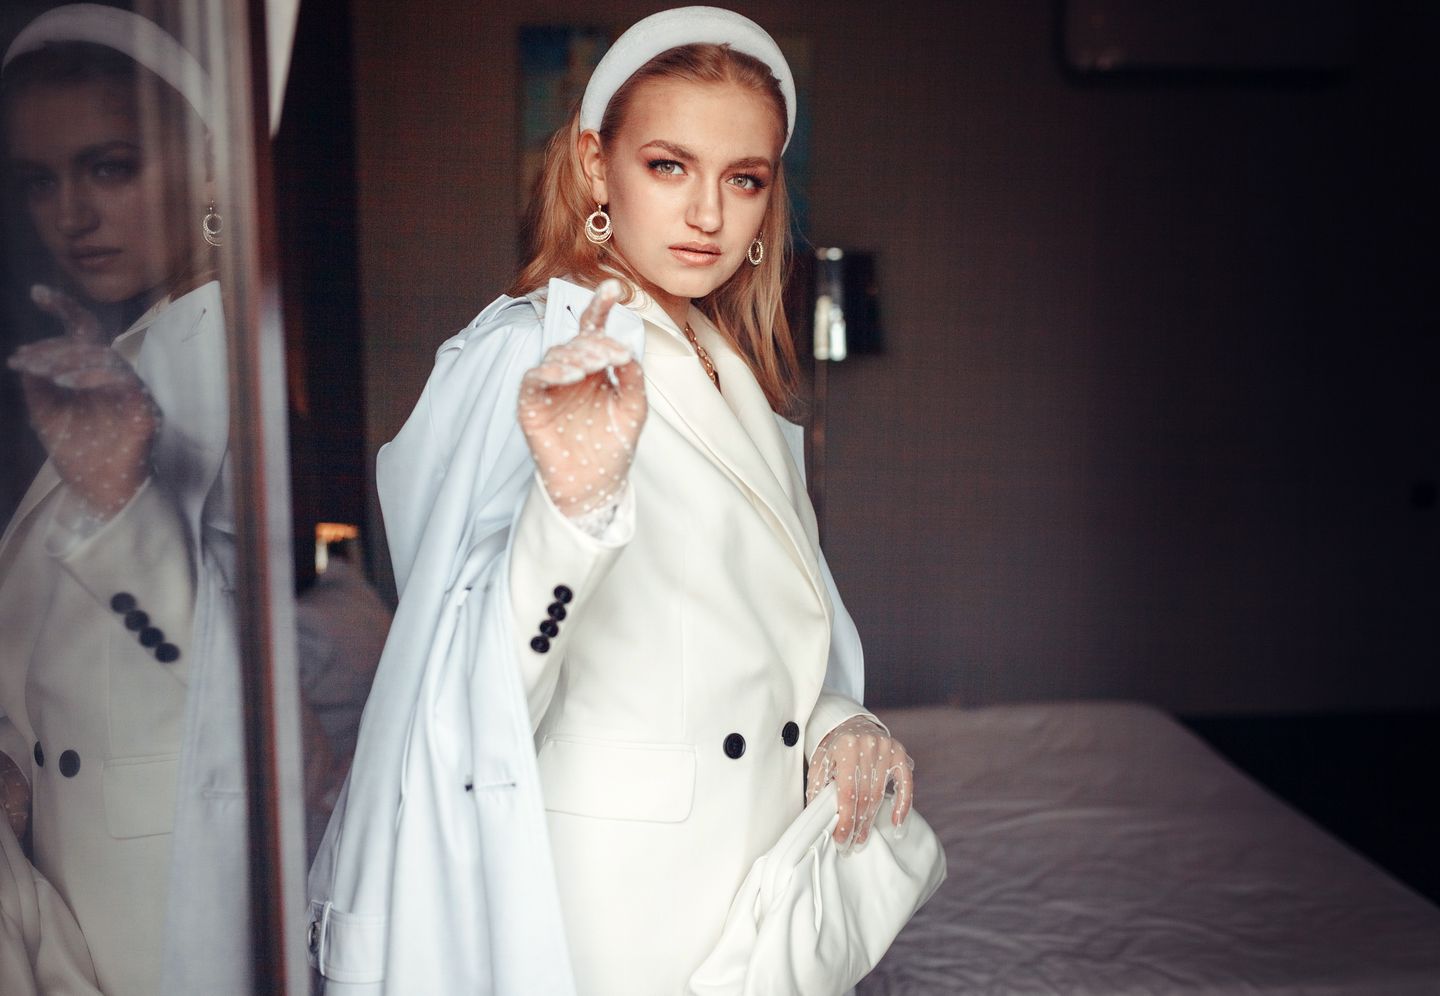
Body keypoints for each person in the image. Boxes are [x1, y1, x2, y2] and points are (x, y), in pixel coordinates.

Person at [309, 8, 915, 994]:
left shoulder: (735, 374)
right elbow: (462, 680)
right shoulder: (528, 351)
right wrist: (573, 514)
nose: (708, 214)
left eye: (744, 178)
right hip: (617, 904)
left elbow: (763, 646)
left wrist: (837, 718)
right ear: (597, 168)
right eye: (669, 166)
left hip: (748, 880)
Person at [0, 6, 248, 993]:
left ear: (210, 167)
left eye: (109, 168)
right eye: (39, 181)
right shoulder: (125, 353)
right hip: (77, 878)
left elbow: (247, 670)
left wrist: (121, 508)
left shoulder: (234, 359)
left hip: (172, 889)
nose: (71, 215)